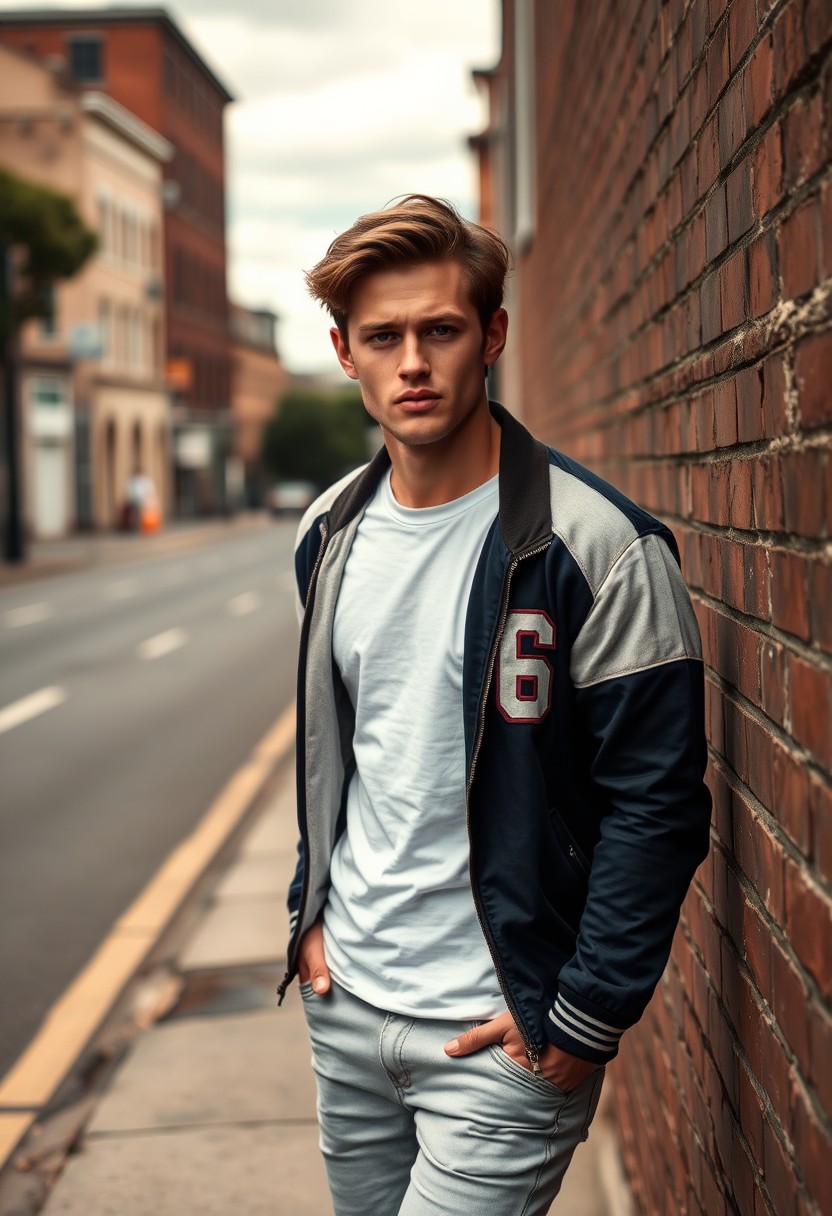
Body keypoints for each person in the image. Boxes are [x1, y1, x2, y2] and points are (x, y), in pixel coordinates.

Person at [277, 195, 711, 1215]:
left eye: (441, 329)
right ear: (345, 353)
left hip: (502, 1024)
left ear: (493, 336)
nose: (412, 362)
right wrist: (311, 910)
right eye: (382, 337)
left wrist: (585, 1011)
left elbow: (658, 799)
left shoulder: (597, 545)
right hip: (349, 1008)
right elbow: (336, 746)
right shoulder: (327, 531)